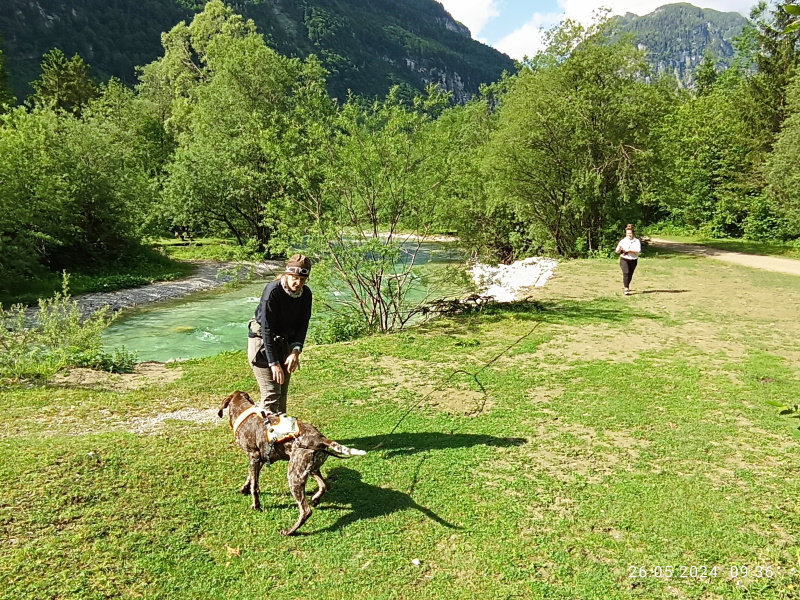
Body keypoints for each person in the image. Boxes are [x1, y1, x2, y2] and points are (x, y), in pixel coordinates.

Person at [247, 254, 313, 413]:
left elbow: (302, 324)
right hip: (262, 343)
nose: (298, 283)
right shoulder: (273, 291)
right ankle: (265, 429)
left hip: (284, 342)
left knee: (282, 393)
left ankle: (281, 428)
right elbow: (266, 329)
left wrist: (295, 351)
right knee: (271, 394)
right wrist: (273, 363)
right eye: (295, 278)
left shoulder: (306, 294)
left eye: (303, 279)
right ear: (287, 274)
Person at [615, 224, 641, 295]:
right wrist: (620, 249)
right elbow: (617, 250)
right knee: (626, 273)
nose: (629, 235)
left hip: (633, 260)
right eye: (627, 233)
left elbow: (638, 250)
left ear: (633, 234)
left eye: (630, 233)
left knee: (630, 274)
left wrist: (629, 250)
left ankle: (627, 285)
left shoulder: (636, 241)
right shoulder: (623, 241)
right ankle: (626, 288)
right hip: (624, 259)